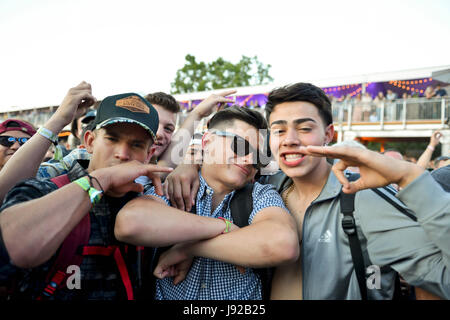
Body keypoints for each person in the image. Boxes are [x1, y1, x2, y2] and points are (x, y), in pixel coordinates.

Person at [164, 82, 450, 300]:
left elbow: (440, 277)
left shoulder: (363, 196)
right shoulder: (264, 188)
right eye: (278, 130)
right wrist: (189, 162)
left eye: (304, 128)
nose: (290, 140)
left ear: (329, 135)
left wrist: (410, 177)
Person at [0, 90, 172, 300]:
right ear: (90, 141)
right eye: (112, 139)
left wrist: (187, 249)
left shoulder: (149, 205)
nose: (123, 154)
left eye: (136, 145)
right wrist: (101, 180)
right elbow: (10, 249)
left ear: (149, 154)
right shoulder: (44, 190)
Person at [114, 106, 299, 300]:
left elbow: (283, 244)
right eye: (240, 146)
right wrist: (223, 226)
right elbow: (129, 223)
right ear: (207, 141)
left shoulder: (259, 195)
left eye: (258, 158)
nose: (248, 160)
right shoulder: (174, 187)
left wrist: (188, 248)